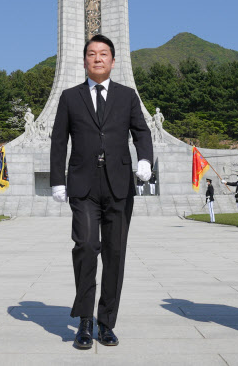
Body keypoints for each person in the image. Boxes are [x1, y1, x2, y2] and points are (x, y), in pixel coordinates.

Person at [50, 34, 153, 349]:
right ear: (84, 60)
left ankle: (106, 322)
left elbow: (142, 131)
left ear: (113, 60)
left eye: (103, 53)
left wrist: (145, 159)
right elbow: (58, 140)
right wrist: (57, 180)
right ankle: (85, 320)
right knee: (85, 245)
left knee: (114, 253)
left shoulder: (127, 95)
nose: (97, 58)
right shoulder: (70, 97)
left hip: (118, 185)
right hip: (83, 185)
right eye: (92, 53)